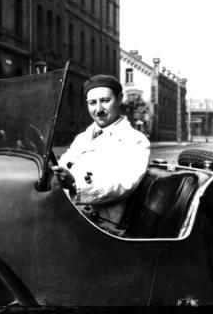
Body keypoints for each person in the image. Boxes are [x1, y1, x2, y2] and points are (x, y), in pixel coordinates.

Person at [52, 74, 150, 234]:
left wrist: (75, 185)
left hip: (102, 225)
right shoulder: (83, 137)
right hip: (68, 213)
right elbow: (64, 165)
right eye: (92, 103)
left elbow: (123, 185)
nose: (98, 110)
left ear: (119, 99)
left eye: (105, 101)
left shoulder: (136, 140)